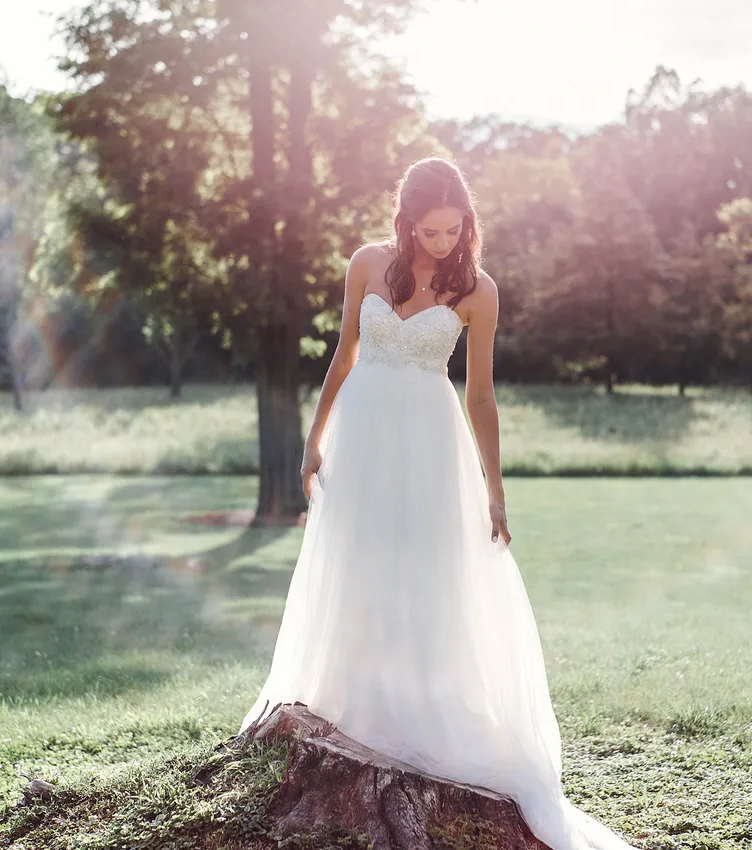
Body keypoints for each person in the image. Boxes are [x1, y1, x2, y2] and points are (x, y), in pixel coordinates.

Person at [238, 157, 637, 850]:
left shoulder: (478, 290)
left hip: (428, 441)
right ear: (406, 222)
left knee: (424, 569)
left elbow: (480, 395)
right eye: (431, 231)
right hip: (362, 433)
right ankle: (353, 698)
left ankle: (417, 708)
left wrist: (495, 488)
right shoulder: (366, 263)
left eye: (455, 229)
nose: (444, 241)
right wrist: (314, 438)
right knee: (355, 559)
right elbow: (344, 354)